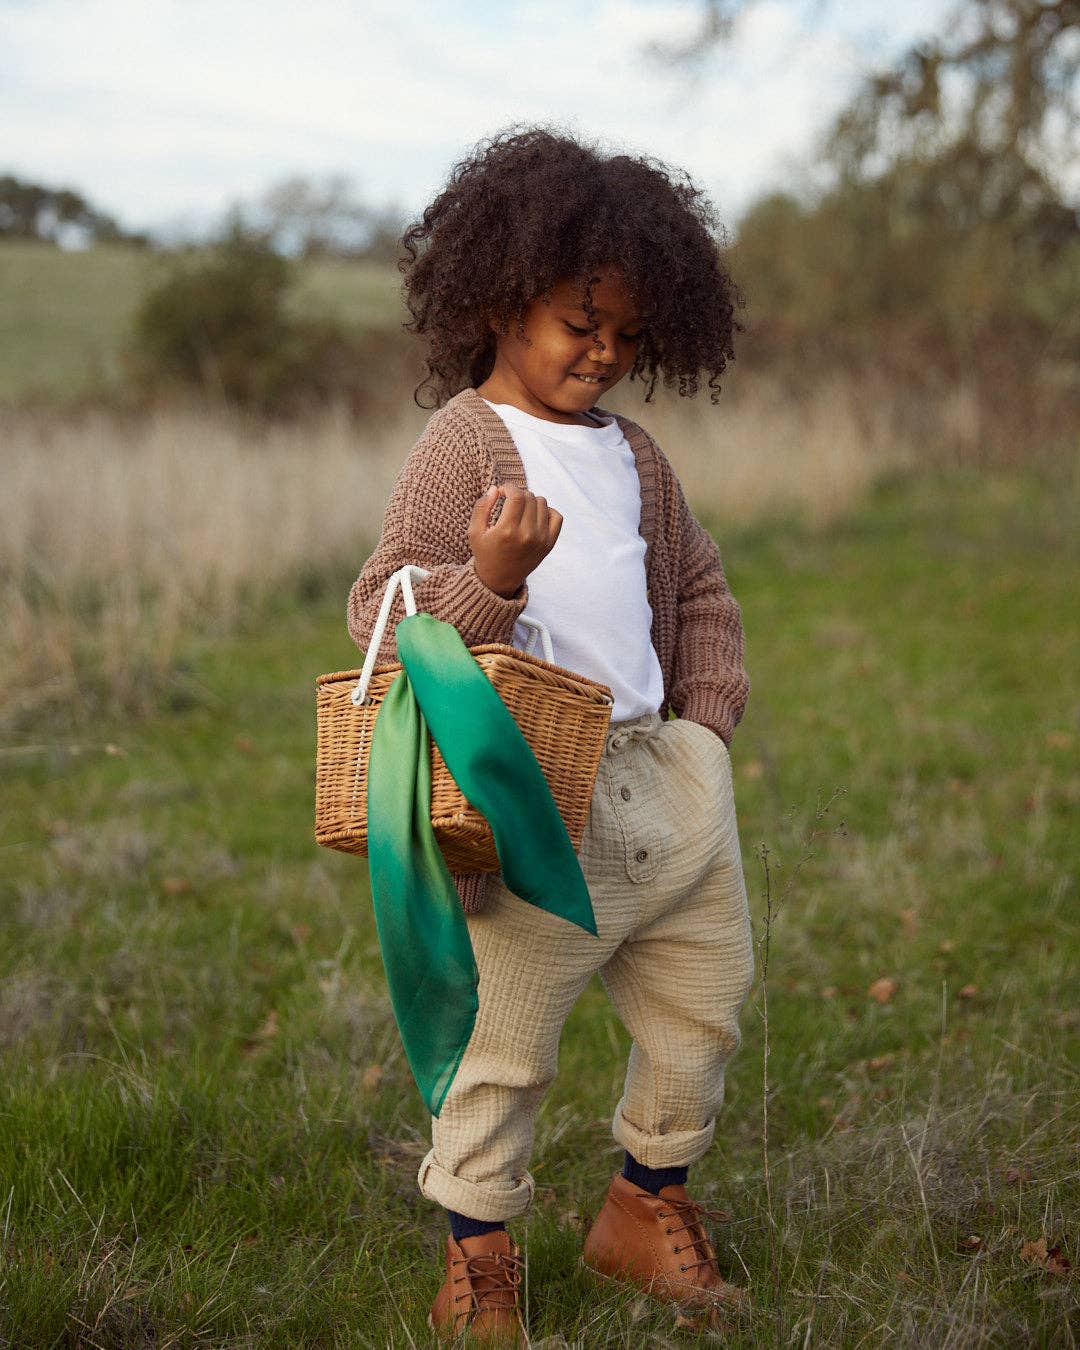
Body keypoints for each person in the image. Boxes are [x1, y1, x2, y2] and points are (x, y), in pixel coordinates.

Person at [346, 125, 755, 1344]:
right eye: (581, 321)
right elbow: (385, 612)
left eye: (628, 332)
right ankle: (479, 1256)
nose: (605, 350)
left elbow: (697, 594)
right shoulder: (468, 441)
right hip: (533, 801)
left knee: (705, 1006)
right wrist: (492, 581)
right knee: (506, 1044)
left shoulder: (636, 455)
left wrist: (708, 729)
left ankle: (644, 1206)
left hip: (666, 779)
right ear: (498, 299)